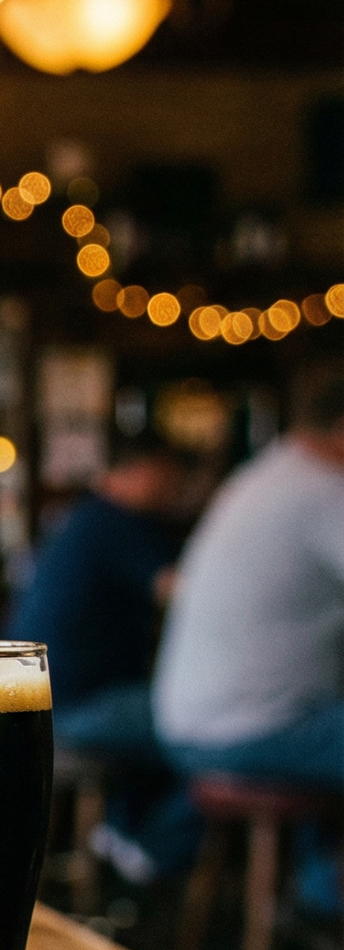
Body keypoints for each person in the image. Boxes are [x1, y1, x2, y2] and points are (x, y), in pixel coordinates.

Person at [155, 370, 344, 913]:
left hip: (191, 719)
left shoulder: (264, 474)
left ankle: (311, 895)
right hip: (245, 728)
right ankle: (322, 895)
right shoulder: (322, 490)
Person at [7, 429, 199, 878]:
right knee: (208, 727)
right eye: (169, 476)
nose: (177, 487)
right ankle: (147, 844)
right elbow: (188, 595)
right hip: (74, 706)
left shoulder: (81, 518)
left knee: (176, 715)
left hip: (39, 704)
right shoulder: (116, 524)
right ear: (141, 470)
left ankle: (120, 828)